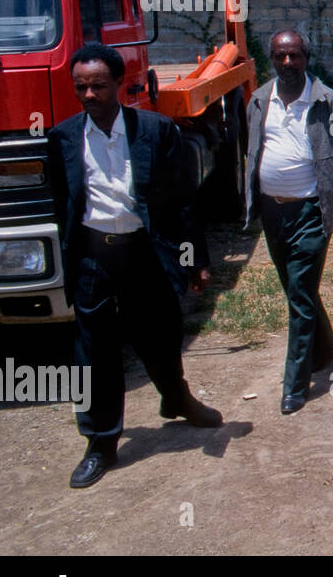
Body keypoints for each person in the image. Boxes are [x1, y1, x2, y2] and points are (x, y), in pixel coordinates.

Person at [48, 43, 223, 489]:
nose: (88, 95)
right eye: (81, 87)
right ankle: (101, 442)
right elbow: (61, 203)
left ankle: (177, 398)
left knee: (161, 337)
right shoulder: (64, 137)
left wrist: (194, 260)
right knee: (95, 352)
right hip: (93, 258)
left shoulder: (155, 131)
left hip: (144, 254)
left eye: (98, 86)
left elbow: (182, 201)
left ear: (120, 85)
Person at [244, 30, 333, 414]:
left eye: (294, 56)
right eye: (280, 57)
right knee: (299, 290)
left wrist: (326, 190)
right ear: (272, 60)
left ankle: (295, 384)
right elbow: (252, 151)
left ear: (307, 58)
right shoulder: (260, 102)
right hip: (272, 213)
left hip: (311, 212)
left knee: (299, 292)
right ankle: (325, 349)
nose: (287, 63)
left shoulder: (331, 105)